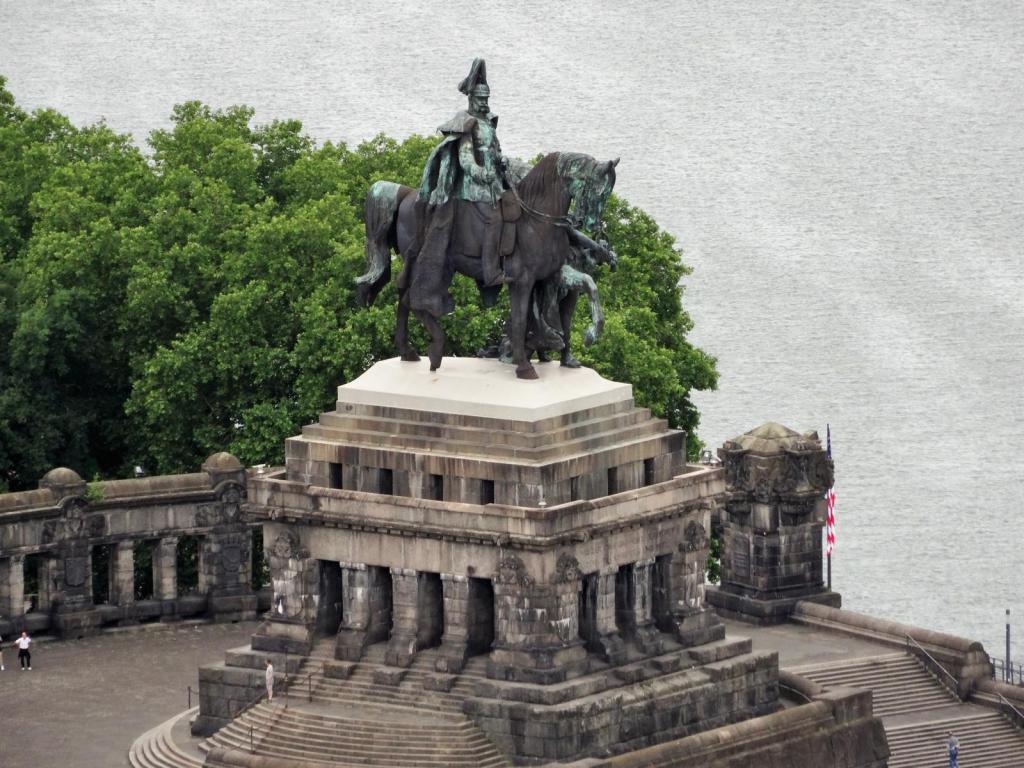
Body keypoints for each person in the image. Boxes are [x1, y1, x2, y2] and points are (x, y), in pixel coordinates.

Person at [415, 57, 510, 314]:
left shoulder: (489, 123)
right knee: (495, 219)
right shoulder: (466, 123)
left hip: (495, 185)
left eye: (487, 98)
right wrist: (482, 174)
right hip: (472, 189)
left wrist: (501, 162)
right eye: (480, 99)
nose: (484, 103)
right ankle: (490, 273)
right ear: (471, 99)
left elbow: (495, 151)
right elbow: (466, 158)